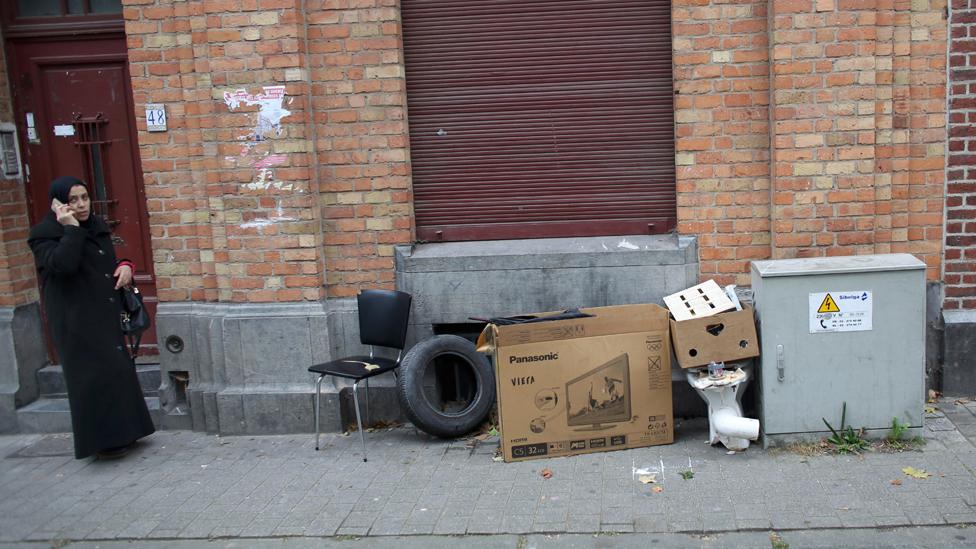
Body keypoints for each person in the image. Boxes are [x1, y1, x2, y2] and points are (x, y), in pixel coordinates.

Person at [28, 176, 155, 460]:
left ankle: (129, 432)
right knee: (92, 379)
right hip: (75, 320)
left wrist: (125, 266)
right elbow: (63, 265)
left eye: (84, 198)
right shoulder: (44, 234)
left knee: (118, 372)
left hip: (103, 312)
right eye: (73, 200)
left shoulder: (96, 226)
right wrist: (71, 230)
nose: (81, 205)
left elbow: (107, 262)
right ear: (58, 204)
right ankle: (104, 442)